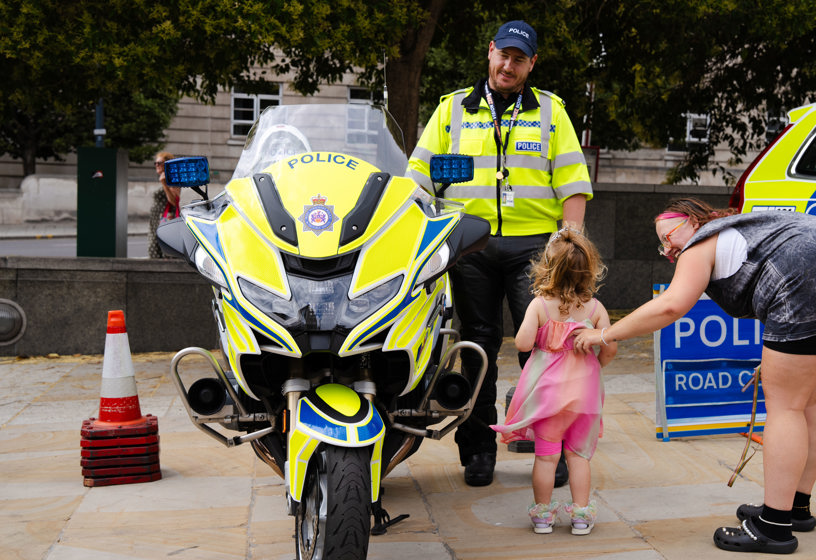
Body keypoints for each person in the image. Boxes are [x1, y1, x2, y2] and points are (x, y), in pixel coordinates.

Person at [407, 20, 593, 486]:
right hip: (470, 245)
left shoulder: (551, 111)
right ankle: (477, 451)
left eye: (519, 59)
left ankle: (556, 447)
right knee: (478, 349)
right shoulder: (452, 109)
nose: (508, 66)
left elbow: (573, 184)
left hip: (536, 249)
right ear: (490, 52)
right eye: (502, 55)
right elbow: (416, 178)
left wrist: (568, 246)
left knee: (547, 350)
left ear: (532, 64)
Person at [573, 197, 816, 554]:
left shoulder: (700, 243)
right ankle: (795, 507)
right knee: (808, 404)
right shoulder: (737, 230)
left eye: (668, 236)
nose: (667, 248)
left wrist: (604, 334)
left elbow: (671, 305)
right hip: (806, 278)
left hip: (802, 286)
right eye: (661, 244)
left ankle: (774, 527)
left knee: (787, 408)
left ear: (692, 222)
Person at [491, 228, 616, 534]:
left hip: (548, 397)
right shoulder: (596, 308)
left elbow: (522, 343)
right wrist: (595, 365)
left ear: (546, 267)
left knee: (547, 459)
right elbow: (610, 346)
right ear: (588, 270)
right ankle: (582, 516)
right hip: (584, 396)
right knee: (578, 457)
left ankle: (543, 517)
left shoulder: (539, 305)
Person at [148, 151, 181, 259]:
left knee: (164, 248)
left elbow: (174, 201)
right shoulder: (163, 178)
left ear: (167, 164)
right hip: (156, 218)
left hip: (166, 218)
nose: (156, 165)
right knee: (154, 247)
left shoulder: (172, 179)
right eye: (155, 163)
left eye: (159, 163)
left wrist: (164, 184)